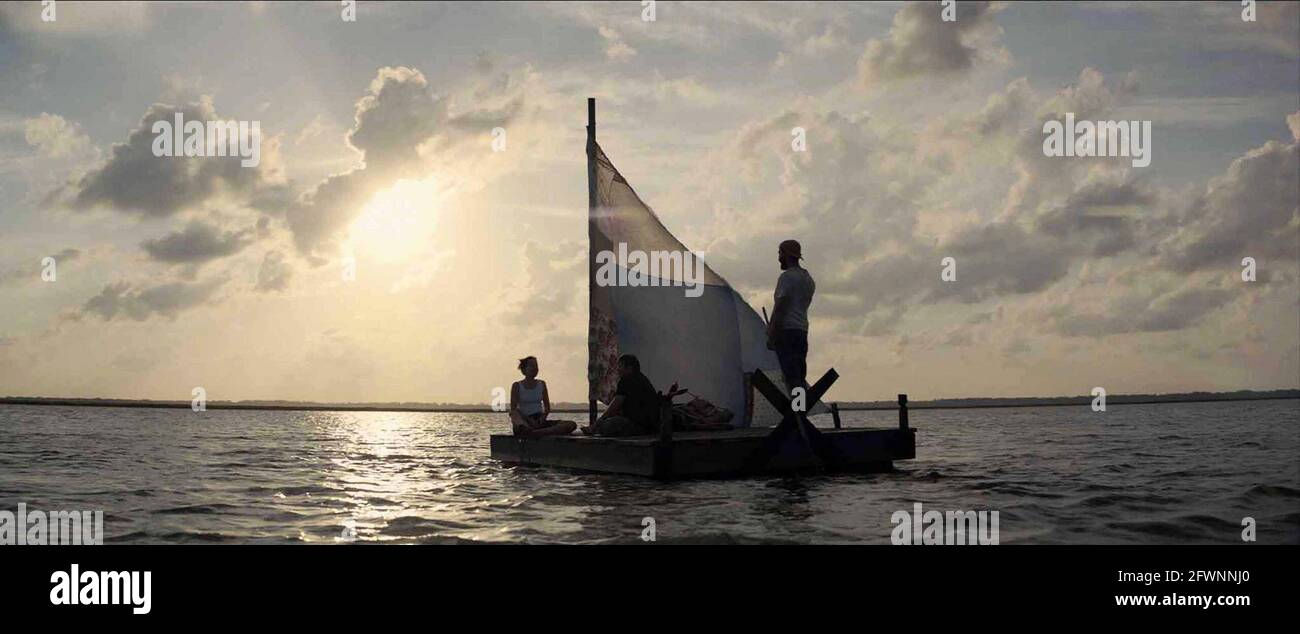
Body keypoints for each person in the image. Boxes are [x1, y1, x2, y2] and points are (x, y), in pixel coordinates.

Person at [766, 239, 815, 392]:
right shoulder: (808, 279)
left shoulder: (787, 277)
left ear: (786, 255)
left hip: (786, 332)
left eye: (780, 253)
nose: (778, 258)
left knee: (790, 376)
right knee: (799, 375)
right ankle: (799, 408)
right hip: (801, 331)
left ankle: (797, 410)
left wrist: (771, 333)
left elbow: (781, 308)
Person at [582, 354, 663, 437]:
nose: (618, 369)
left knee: (607, 426)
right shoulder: (642, 379)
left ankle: (595, 428)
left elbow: (615, 405)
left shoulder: (627, 380)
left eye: (620, 366)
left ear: (630, 368)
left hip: (640, 426)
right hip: (651, 426)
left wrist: (597, 424)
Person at [509, 356, 576, 437]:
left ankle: (536, 433)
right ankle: (531, 431)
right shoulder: (517, 385)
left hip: (539, 420)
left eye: (536, 366)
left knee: (571, 424)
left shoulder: (542, 384)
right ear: (524, 369)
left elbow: (547, 407)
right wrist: (528, 420)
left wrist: (543, 418)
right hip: (524, 421)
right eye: (532, 366)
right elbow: (514, 409)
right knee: (514, 414)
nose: (535, 368)